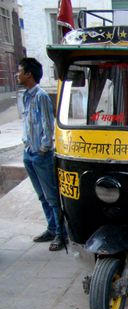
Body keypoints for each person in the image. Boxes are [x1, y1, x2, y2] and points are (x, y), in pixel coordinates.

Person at [17, 57, 67, 251]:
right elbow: (28, 123)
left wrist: (43, 149)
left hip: (40, 154)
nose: (17, 74)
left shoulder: (41, 97)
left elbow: (48, 125)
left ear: (29, 74)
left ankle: (60, 235)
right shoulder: (25, 96)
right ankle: (51, 228)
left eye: (20, 71)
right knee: (41, 196)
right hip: (29, 152)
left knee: (52, 196)